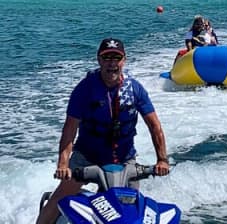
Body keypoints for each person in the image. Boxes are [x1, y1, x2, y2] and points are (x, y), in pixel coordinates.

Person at [36, 38, 170, 224]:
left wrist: (162, 160)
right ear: (99, 60)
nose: (112, 63)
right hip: (87, 160)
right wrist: (63, 165)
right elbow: (69, 131)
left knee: (131, 214)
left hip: (125, 161)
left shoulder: (135, 89)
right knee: (58, 199)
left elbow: (154, 126)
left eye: (117, 58)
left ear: (124, 60)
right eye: (106, 58)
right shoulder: (84, 90)